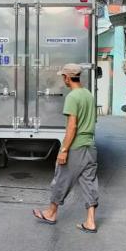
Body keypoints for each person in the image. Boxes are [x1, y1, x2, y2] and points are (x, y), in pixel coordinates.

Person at [33, 63, 99, 233]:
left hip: (76, 146)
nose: (63, 79)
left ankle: (51, 213)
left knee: (61, 178)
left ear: (68, 77)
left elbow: (72, 127)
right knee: (88, 182)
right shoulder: (88, 95)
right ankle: (90, 221)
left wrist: (63, 150)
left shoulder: (72, 97)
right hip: (90, 146)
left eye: (63, 76)